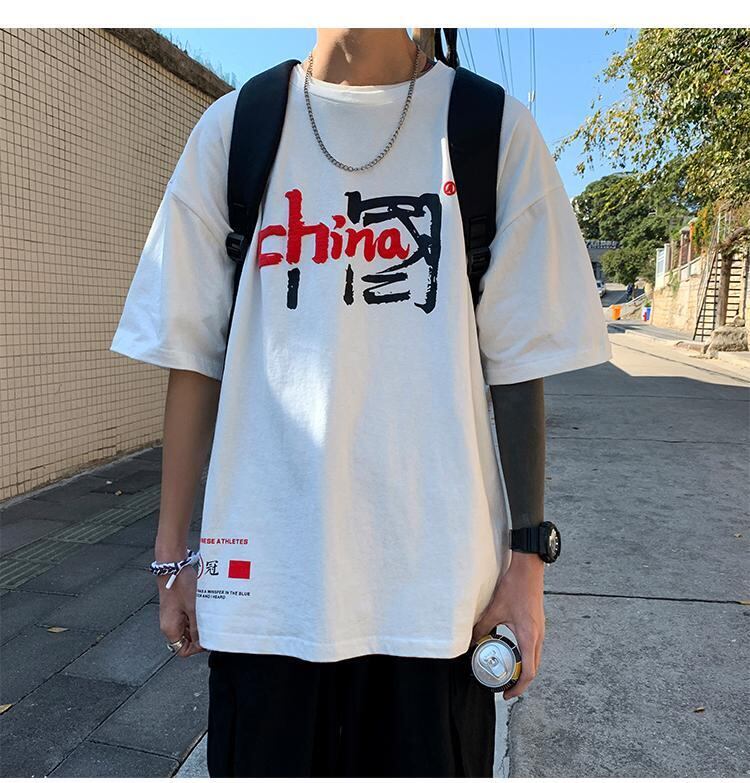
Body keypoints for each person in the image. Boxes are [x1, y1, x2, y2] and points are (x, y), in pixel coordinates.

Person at [110, 28, 611, 777]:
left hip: (435, 602)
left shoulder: (489, 130)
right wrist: (170, 553)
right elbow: (193, 355)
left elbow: (518, 367)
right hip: (265, 596)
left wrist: (527, 564)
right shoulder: (236, 131)